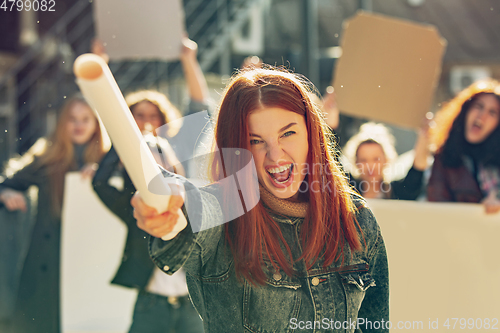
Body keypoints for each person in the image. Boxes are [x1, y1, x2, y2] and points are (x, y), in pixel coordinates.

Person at [131, 68, 389, 332]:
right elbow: (195, 207)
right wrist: (171, 204)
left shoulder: (356, 217)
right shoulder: (224, 216)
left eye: (288, 133)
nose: (275, 155)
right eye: (255, 141)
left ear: (312, 134)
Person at [92, 37, 207, 333]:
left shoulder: (180, 155)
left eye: (151, 115)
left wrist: (188, 60)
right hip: (150, 303)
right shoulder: (135, 208)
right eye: (137, 116)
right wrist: (125, 136)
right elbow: (100, 182)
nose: (144, 122)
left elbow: (199, 106)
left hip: (194, 302)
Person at [0, 95, 108, 333]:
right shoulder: (47, 159)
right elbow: (7, 184)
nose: (79, 125)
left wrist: (102, 175)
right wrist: (6, 193)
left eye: (85, 119)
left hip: (92, 258)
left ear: (96, 123)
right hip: (48, 260)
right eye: (72, 119)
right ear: (61, 123)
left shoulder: (109, 161)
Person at [427, 79, 500, 214]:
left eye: (492, 112)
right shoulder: (443, 158)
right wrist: (480, 209)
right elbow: (436, 209)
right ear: (466, 110)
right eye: (479, 106)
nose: (482, 116)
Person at [343, 121, 430, 200]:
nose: (370, 165)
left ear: (386, 160)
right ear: (356, 162)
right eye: (363, 160)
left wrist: (424, 136)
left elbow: (417, 172)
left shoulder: (397, 192)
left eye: (376, 159)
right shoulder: (346, 190)